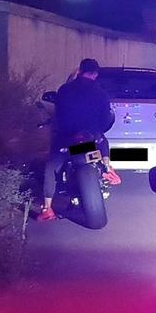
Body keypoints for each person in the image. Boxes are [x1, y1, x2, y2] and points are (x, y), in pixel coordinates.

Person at [38, 59, 121, 221]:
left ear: (79, 71)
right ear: (95, 74)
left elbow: (60, 115)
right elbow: (106, 118)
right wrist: (96, 131)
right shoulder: (102, 93)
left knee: (51, 166)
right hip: (92, 140)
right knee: (103, 141)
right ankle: (107, 166)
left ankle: (47, 208)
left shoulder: (64, 90)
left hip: (68, 140)